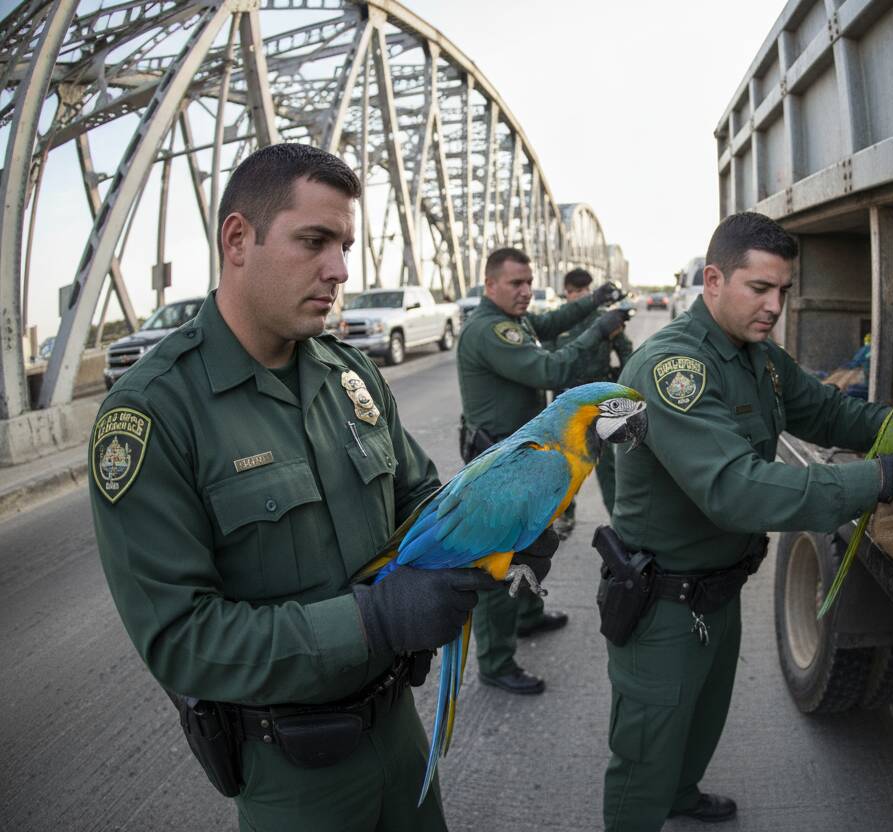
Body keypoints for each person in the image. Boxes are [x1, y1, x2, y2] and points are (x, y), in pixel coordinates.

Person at [89, 143, 551, 832]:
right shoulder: (155, 411)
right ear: (238, 239)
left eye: (345, 245)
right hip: (295, 776)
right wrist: (372, 621)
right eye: (314, 241)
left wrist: (499, 519)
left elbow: (417, 499)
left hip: (400, 735)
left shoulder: (351, 377)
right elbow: (180, 638)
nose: (338, 270)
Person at [600, 212, 893, 828]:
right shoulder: (673, 369)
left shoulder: (757, 359)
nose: (774, 306)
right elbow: (737, 491)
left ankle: (681, 796)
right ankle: (655, 804)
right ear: (713, 280)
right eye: (759, 288)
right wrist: (885, 478)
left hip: (717, 590)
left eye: (783, 290)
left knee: (700, 722)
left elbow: (834, 415)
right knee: (644, 756)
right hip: (663, 605)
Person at [456, 248, 627, 694]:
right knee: (498, 565)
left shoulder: (518, 321)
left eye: (529, 282)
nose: (526, 291)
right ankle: (495, 662)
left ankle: (528, 616)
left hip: (526, 465)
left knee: (531, 546)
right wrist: (599, 328)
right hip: (500, 469)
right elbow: (550, 367)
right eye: (516, 284)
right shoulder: (491, 331)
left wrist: (594, 300)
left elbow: (551, 323)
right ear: (490, 285)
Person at [550, 268, 634, 535]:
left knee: (606, 465)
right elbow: (546, 364)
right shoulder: (557, 322)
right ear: (567, 292)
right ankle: (565, 516)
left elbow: (626, 353)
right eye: (576, 291)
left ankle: (618, 521)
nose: (582, 296)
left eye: (586, 291)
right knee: (563, 465)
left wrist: (617, 388)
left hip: (599, 403)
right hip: (566, 403)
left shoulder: (606, 320)